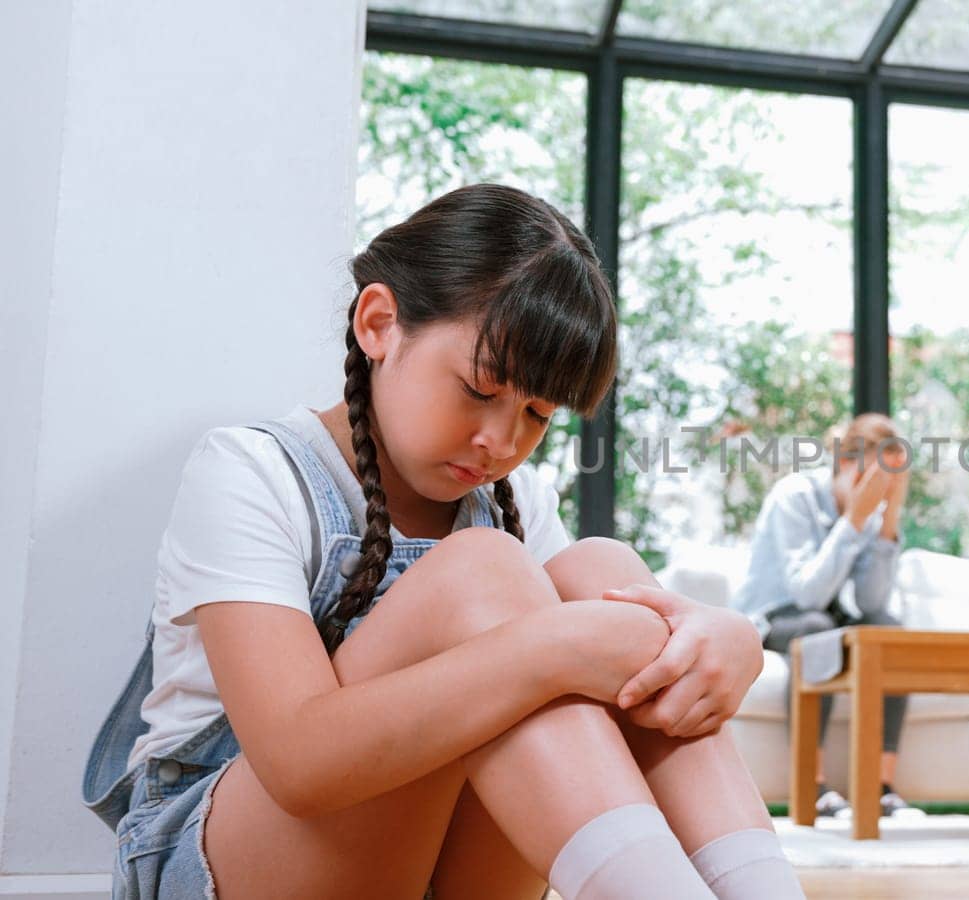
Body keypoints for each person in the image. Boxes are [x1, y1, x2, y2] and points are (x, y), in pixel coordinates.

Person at [80, 184, 806, 899]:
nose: (501, 441)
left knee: (601, 568)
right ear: (378, 324)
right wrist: (553, 650)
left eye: (536, 414)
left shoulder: (513, 503)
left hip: (433, 874)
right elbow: (299, 766)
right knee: (484, 572)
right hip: (226, 856)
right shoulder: (251, 471)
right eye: (479, 390)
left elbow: (620, 635)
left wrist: (725, 639)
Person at [734, 414, 913, 820]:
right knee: (819, 632)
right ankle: (813, 786)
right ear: (848, 465)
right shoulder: (794, 496)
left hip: (830, 617)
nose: (879, 490)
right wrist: (854, 519)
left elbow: (871, 603)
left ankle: (883, 788)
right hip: (773, 616)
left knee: (887, 634)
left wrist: (887, 519)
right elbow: (806, 594)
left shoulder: (871, 515)